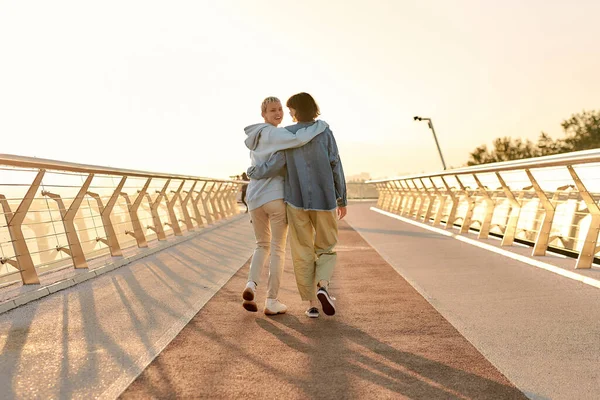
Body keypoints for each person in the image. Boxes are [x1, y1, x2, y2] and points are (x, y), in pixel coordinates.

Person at [248, 92, 347, 319]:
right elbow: (335, 163)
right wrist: (342, 199)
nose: (287, 113)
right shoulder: (324, 131)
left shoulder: (286, 135)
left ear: (295, 111)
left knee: (302, 251)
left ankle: (312, 304)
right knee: (326, 248)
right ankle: (323, 285)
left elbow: (276, 163)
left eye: (289, 109)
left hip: (296, 201)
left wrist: (253, 172)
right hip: (325, 199)